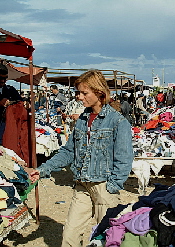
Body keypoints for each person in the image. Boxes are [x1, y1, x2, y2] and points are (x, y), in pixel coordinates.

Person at [29, 70, 134, 247]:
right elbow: (69, 152)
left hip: (103, 187)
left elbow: (124, 158)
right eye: (78, 92)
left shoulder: (117, 122)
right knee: (70, 234)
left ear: (99, 93)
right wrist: (42, 169)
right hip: (82, 185)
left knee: (108, 237)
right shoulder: (82, 120)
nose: (79, 97)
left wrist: (113, 185)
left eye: (84, 93)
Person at [0, 61, 23, 145]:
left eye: (5, 78)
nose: (3, 81)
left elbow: (21, 102)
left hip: (8, 129)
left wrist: (25, 104)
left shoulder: (10, 90)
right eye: (0, 78)